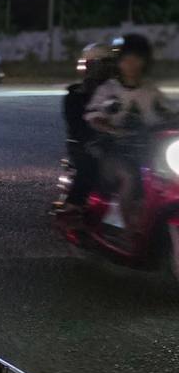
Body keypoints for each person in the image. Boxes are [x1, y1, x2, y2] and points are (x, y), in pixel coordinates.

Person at [85, 33, 174, 230]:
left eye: (137, 59)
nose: (132, 65)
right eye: (127, 59)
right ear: (119, 62)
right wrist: (112, 129)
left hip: (147, 150)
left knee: (167, 180)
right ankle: (129, 232)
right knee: (130, 177)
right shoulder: (109, 90)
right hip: (112, 152)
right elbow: (94, 116)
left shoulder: (150, 91)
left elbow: (168, 112)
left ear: (145, 62)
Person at [59, 41, 116, 213]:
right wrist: (94, 140)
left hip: (117, 141)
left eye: (108, 64)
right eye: (100, 64)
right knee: (89, 167)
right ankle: (73, 206)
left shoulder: (119, 91)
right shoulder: (76, 95)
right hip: (84, 143)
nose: (105, 69)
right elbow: (77, 127)